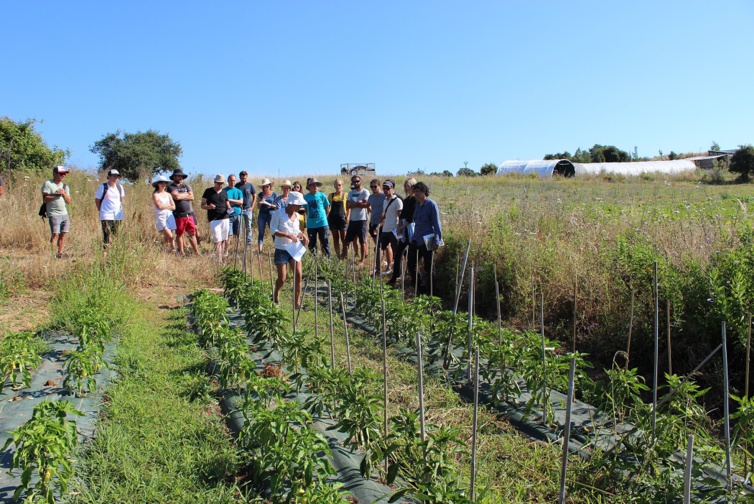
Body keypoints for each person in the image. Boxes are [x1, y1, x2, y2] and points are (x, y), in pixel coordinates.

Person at [270, 191, 309, 307]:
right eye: (298, 205)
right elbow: (273, 230)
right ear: (291, 204)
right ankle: (276, 292)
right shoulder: (278, 214)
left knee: (298, 274)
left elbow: (296, 231)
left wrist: (303, 235)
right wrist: (287, 235)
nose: (299, 207)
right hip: (282, 248)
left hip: (294, 249)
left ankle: (297, 302)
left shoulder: (297, 216)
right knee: (282, 278)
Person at [406, 182, 443, 294]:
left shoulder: (431, 204)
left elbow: (437, 224)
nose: (416, 194)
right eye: (415, 191)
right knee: (411, 264)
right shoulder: (417, 205)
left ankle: (432, 291)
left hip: (428, 240)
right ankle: (420, 289)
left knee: (429, 267)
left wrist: (437, 240)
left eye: (418, 192)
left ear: (424, 192)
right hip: (416, 239)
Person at [388, 177, 417, 285]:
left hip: (410, 229)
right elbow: (402, 215)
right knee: (398, 253)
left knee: (411, 256)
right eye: (405, 185)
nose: (406, 187)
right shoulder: (407, 200)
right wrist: (399, 226)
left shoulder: (414, 200)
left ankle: (414, 279)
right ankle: (395, 277)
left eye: (408, 185)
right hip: (404, 229)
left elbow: (411, 218)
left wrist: (402, 226)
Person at [201, 174, 232, 264]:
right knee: (217, 239)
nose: (220, 185)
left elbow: (227, 203)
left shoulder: (224, 192)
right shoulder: (208, 191)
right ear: (215, 182)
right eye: (219, 183)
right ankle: (219, 259)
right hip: (214, 219)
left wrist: (230, 209)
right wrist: (209, 207)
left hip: (225, 218)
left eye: (222, 183)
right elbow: (202, 205)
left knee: (223, 239)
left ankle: (220, 256)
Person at [41, 166, 71, 258]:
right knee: (55, 234)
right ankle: (51, 253)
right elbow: (45, 198)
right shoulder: (48, 184)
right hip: (53, 213)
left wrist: (63, 193)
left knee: (63, 233)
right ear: (54, 174)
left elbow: (69, 201)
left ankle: (60, 253)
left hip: (64, 213)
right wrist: (56, 194)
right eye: (61, 174)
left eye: (64, 174)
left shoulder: (65, 186)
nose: (63, 176)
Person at [168, 169, 200, 256]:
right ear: (174, 177)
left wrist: (182, 195)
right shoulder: (171, 187)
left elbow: (192, 197)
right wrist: (186, 195)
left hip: (189, 214)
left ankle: (196, 252)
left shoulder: (186, 186)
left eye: (182, 176)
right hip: (179, 214)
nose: (181, 177)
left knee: (192, 233)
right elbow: (176, 197)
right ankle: (181, 252)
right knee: (179, 234)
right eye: (179, 176)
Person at [341, 175, 369, 265]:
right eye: (354, 182)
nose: (356, 183)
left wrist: (354, 204)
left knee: (362, 241)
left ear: (360, 181)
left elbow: (366, 204)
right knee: (347, 240)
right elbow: (348, 205)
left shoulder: (365, 191)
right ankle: (343, 257)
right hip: (353, 220)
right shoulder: (351, 193)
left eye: (357, 181)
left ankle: (362, 260)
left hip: (362, 219)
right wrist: (358, 203)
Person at [378, 180, 402, 277]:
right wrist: (381, 221)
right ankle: (378, 270)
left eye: (387, 188)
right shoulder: (385, 201)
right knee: (378, 249)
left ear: (393, 189)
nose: (385, 190)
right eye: (384, 188)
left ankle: (398, 274)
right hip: (385, 229)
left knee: (397, 253)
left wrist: (399, 229)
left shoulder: (398, 201)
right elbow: (386, 215)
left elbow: (400, 217)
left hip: (394, 230)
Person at [94, 169, 125, 246]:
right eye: (114, 176)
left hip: (117, 215)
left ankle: (114, 250)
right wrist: (100, 210)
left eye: (117, 177)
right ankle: (105, 252)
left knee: (116, 234)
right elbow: (97, 200)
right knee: (106, 234)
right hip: (106, 214)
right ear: (109, 176)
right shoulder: (103, 187)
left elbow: (121, 199)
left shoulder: (119, 187)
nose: (116, 178)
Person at [303, 178, 330, 256]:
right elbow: (305, 210)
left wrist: (324, 218)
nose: (315, 187)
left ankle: (327, 260)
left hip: (322, 223)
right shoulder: (306, 197)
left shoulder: (322, 195)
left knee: (325, 243)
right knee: (312, 244)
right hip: (311, 224)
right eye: (313, 185)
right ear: (309, 187)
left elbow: (327, 208)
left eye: (317, 185)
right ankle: (313, 262)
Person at [152, 175, 176, 252]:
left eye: (165, 183)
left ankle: (165, 250)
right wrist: (168, 205)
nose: (163, 184)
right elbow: (159, 206)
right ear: (158, 184)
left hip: (169, 215)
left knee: (167, 236)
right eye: (161, 183)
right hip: (161, 216)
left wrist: (165, 206)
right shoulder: (156, 194)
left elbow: (173, 207)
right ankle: (174, 250)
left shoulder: (168, 194)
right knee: (170, 236)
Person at [367, 178, 387, 271]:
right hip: (373, 222)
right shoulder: (371, 197)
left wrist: (384, 214)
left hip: (382, 223)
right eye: (371, 187)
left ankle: (389, 265)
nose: (373, 188)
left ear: (379, 186)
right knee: (377, 245)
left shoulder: (384, 196)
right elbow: (368, 205)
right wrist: (371, 211)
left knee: (386, 245)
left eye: (375, 186)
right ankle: (379, 263)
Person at [223, 174, 244, 256]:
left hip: (238, 215)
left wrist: (229, 200)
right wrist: (235, 202)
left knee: (238, 235)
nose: (232, 182)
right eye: (231, 180)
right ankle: (226, 252)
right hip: (228, 216)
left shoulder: (239, 191)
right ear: (228, 181)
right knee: (229, 235)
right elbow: (224, 202)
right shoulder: (224, 191)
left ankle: (236, 252)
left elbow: (241, 202)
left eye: (234, 180)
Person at [327, 179, 347, 257]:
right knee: (335, 238)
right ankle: (338, 255)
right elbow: (328, 207)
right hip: (333, 219)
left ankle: (344, 254)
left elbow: (348, 208)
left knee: (344, 238)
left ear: (342, 186)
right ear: (334, 186)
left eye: (339, 185)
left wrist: (348, 217)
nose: (338, 186)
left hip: (343, 219)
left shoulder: (346, 195)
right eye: (336, 185)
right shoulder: (330, 195)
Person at [256, 178, 277, 252]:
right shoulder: (260, 195)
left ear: (270, 186)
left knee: (273, 231)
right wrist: (261, 202)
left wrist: (270, 204)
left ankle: (277, 247)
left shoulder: (274, 194)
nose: (265, 188)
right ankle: (260, 250)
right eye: (264, 187)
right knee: (261, 231)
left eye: (267, 186)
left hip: (271, 214)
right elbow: (258, 207)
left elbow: (277, 206)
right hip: (262, 214)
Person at [236, 171, 257, 246]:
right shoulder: (237, 186)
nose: (243, 179)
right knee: (239, 224)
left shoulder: (250, 185)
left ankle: (249, 239)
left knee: (248, 225)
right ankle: (239, 239)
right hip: (239, 208)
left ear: (247, 177)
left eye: (245, 178)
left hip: (248, 208)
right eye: (242, 178)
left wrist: (252, 206)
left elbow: (254, 195)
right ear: (240, 177)